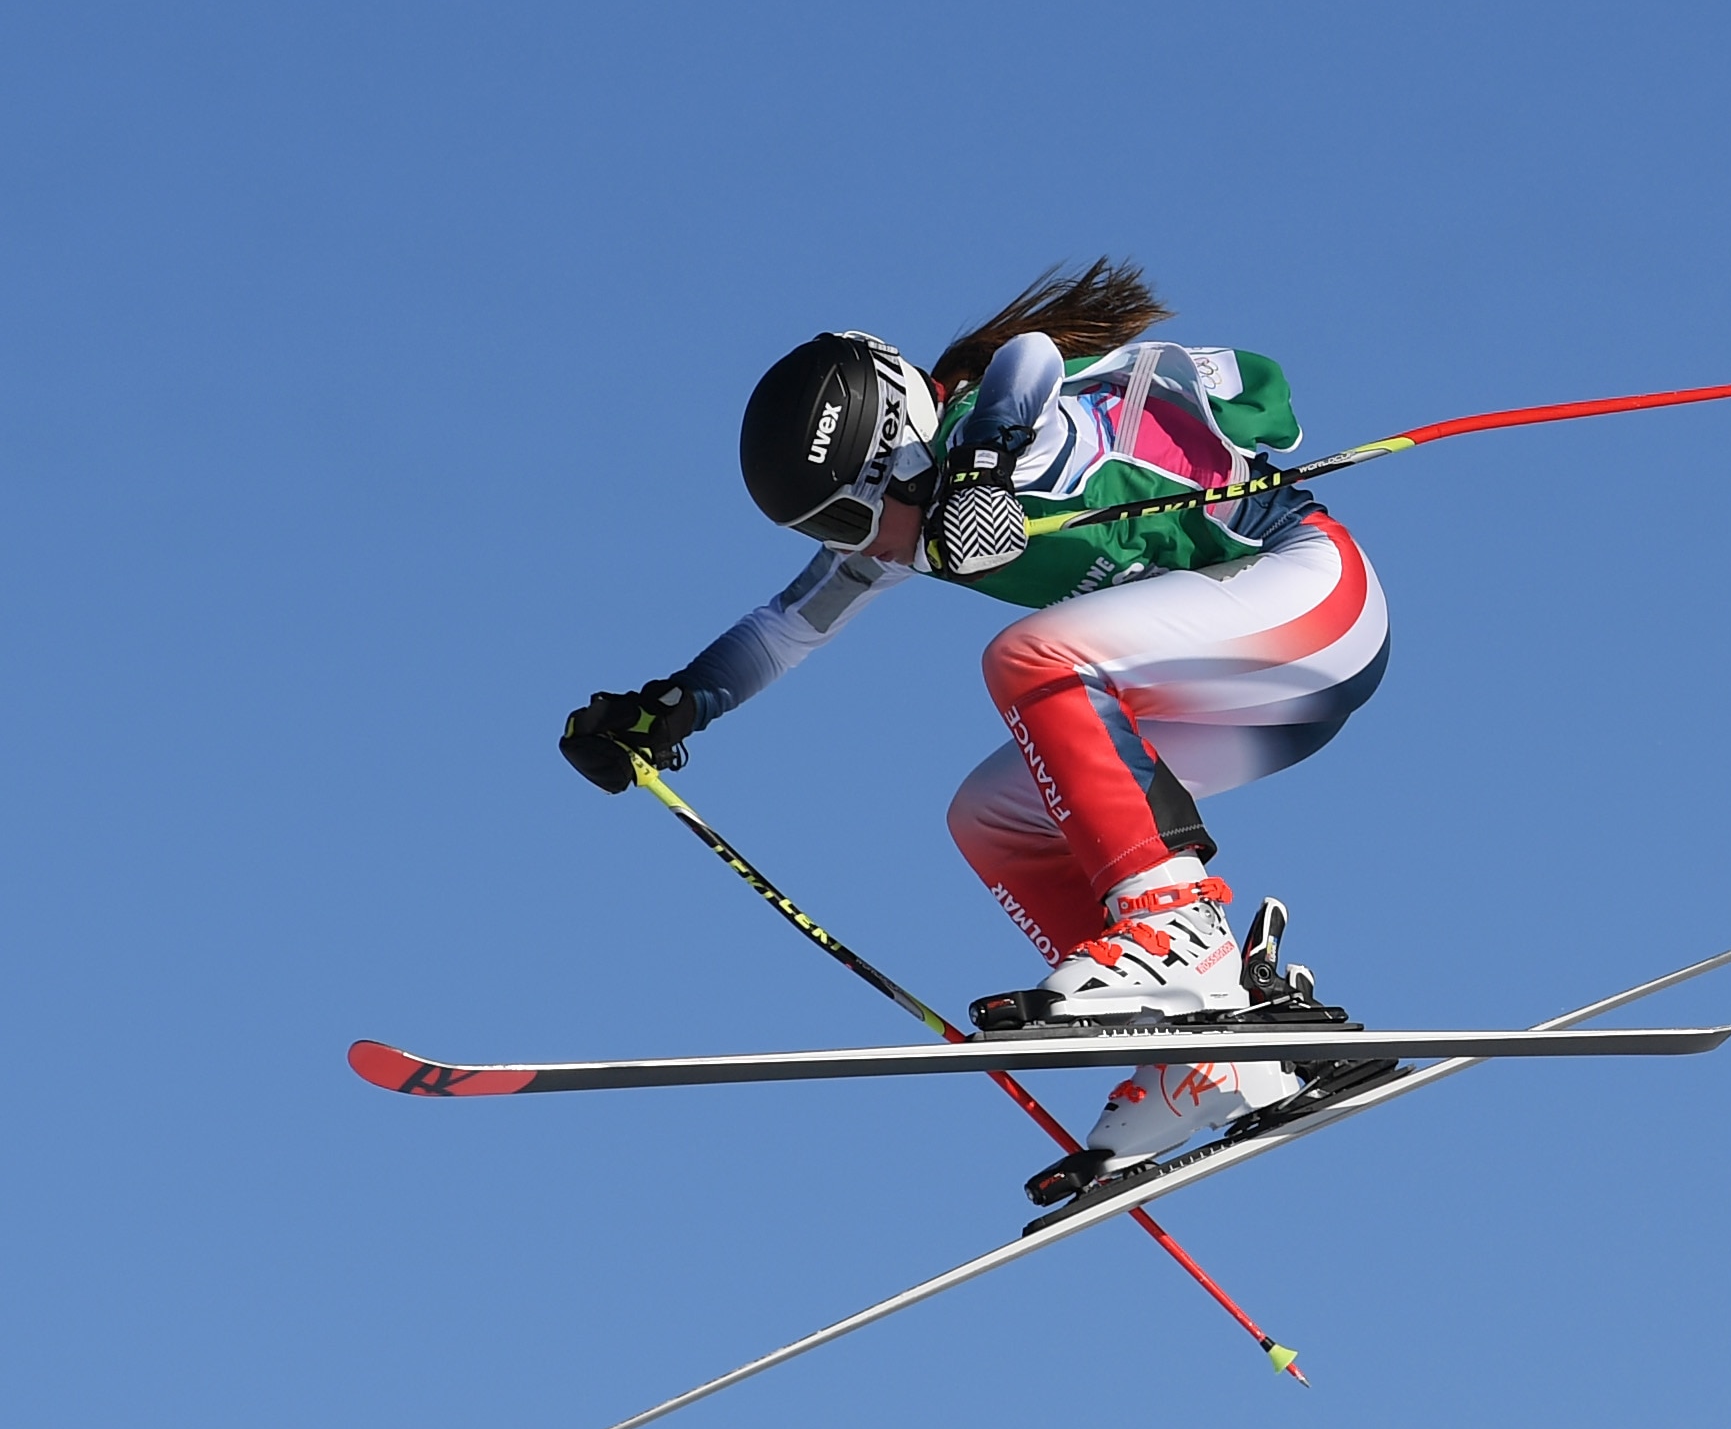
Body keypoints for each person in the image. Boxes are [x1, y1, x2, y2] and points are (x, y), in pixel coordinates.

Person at [555, 260, 1394, 1206]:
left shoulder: (1010, 443)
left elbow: (1028, 363)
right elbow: (783, 628)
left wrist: (987, 461)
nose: (852, 543)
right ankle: (1204, 1051)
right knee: (991, 814)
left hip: (1314, 601)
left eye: (845, 513)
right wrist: (674, 703)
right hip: (1242, 686)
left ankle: (1176, 932)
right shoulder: (907, 526)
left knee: (1030, 655)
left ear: (900, 455)